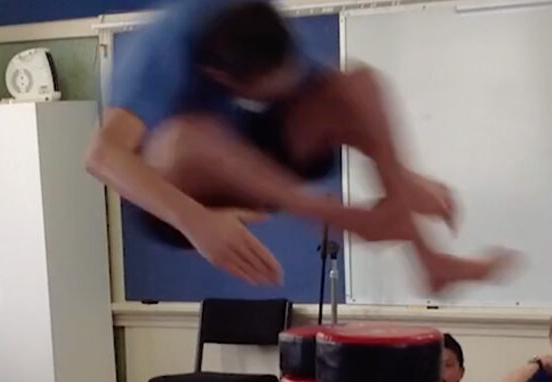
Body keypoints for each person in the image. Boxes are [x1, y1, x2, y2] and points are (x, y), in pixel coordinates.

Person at [85, 0, 514, 290]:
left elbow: (339, 104)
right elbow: (102, 157)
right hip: (173, 196)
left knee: (357, 83)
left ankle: (431, 262)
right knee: (185, 137)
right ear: (223, 78)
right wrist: (198, 222)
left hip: (252, 164)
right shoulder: (159, 56)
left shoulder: (255, 25)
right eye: (264, 91)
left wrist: (400, 175)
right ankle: (335, 215)